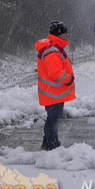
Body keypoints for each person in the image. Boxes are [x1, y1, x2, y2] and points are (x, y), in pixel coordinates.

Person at [36, 21, 76, 151]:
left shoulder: (53, 48)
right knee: (54, 120)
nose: (67, 35)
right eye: (65, 33)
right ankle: (51, 144)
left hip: (53, 92)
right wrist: (69, 79)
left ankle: (48, 142)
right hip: (53, 93)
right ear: (59, 34)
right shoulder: (52, 51)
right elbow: (56, 73)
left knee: (52, 119)